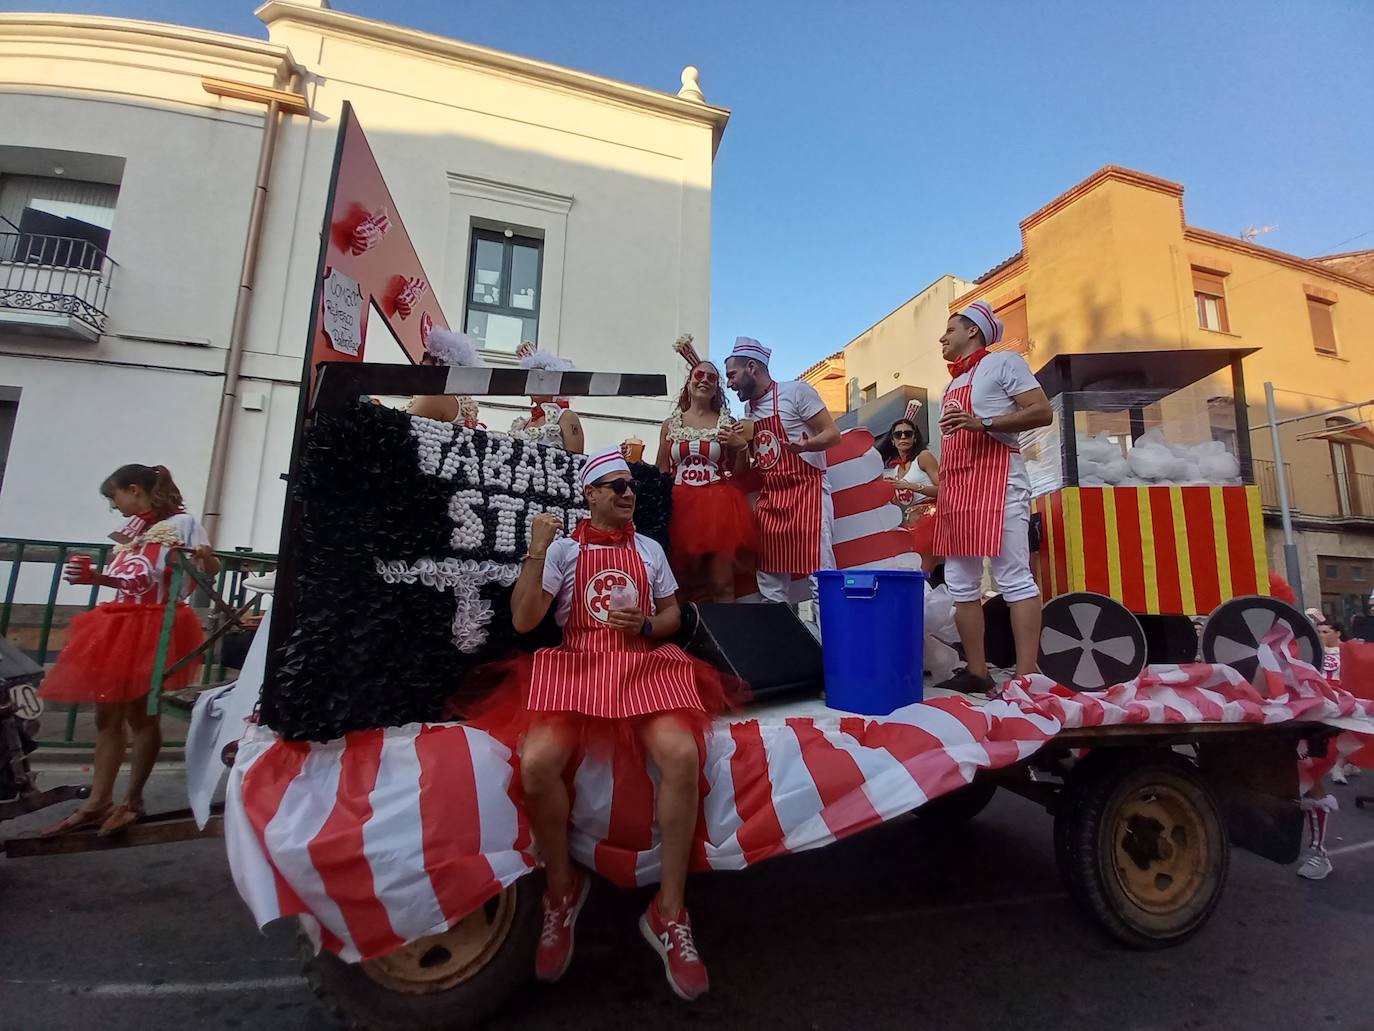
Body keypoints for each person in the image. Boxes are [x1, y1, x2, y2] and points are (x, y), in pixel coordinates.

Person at [474, 448, 730, 1000]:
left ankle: (669, 911)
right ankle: (562, 891)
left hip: (640, 666)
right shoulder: (563, 550)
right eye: (613, 485)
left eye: (630, 485)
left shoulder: (649, 548)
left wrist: (645, 625)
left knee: (682, 755)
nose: (627, 493)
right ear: (588, 495)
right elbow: (524, 620)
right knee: (538, 761)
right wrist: (537, 551)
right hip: (579, 670)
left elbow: (672, 616)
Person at [38, 465, 218, 837]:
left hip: (154, 622)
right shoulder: (136, 529)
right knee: (107, 715)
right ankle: (98, 800)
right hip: (120, 621)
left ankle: (131, 800)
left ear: (134, 490)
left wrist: (205, 557)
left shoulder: (182, 523)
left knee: (140, 714)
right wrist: (96, 576)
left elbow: (204, 568)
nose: (114, 506)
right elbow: (128, 575)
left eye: (114, 497)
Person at [933, 300, 1053, 695]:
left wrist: (982, 422)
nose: (942, 337)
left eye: (950, 329)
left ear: (972, 330)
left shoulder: (1006, 364)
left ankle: (1026, 676)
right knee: (960, 582)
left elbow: (1041, 411)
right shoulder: (950, 384)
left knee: (1013, 575)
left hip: (999, 482)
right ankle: (978, 670)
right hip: (959, 489)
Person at [722, 337, 841, 602]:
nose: (729, 383)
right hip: (772, 499)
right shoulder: (747, 410)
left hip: (808, 494)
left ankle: (829, 644)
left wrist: (807, 445)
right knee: (770, 584)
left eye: (732, 375)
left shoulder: (796, 391)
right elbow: (757, 460)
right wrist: (739, 447)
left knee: (820, 578)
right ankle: (778, 642)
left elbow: (833, 435)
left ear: (752, 367)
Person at [656, 337, 755, 602]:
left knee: (721, 583)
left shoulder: (727, 423)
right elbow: (662, 469)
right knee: (678, 582)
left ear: (716, 387)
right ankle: (682, 639)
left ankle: (728, 640)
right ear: (689, 382)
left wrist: (741, 447)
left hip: (718, 507)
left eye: (712, 378)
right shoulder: (670, 425)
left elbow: (740, 473)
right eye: (699, 375)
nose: (704, 380)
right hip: (678, 506)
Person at [879, 417, 940, 572]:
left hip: (931, 520)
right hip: (910, 523)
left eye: (908, 433)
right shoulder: (894, 470)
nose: (903, 437)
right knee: (910, 570)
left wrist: (910, 486)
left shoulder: (924, 457)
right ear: (892, 440)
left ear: (915, 437)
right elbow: (899, 501)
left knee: (922, 572)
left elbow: (944, 489)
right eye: (898, 434)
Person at [510, 341, 584, 454]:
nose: (534, 384)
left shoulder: (566, 416)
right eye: (531, 380)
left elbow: (576, 461)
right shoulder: (524, 424)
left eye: (541, 379)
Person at [407, 327, 484, 427]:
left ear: (439, 367)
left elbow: (401, 430)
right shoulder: (458, 400)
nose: (420, 363)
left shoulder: (436, 398)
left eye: (427, 358)